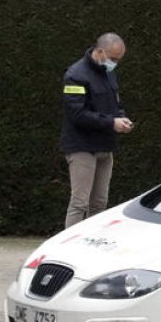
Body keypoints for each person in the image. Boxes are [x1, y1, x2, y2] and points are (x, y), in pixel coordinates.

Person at [60, 32, 133, 228]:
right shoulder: (75, 75)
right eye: (113, 59)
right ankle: (68, 248)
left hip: (104, 145)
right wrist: (111, 123)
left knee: (100, 203)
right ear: (100, 52)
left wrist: (121, 117)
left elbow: (114, 104)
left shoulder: (109, 72)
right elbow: (77, 115)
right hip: (81, 146)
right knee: (79, 203)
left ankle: (93, 244)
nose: (115, 63)